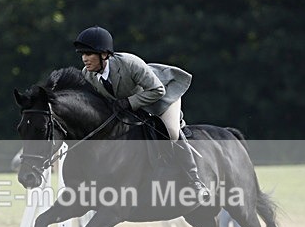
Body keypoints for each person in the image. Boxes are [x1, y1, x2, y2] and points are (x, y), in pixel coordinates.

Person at [73, 26, 210, 201]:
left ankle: (195, 182)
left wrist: (128, 102)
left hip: (162, 94)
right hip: (133, 105)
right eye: (82, 54)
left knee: (171, 131)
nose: (84, 59)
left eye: (89, 54)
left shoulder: (129, 63)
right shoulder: (88, 75)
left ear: (104, 54)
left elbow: (157, 90)